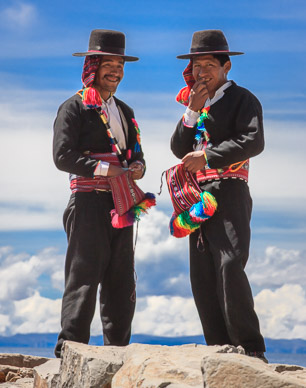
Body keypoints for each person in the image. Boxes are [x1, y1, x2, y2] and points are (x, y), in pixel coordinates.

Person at [171, 30, 267, 362]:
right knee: (202, 272)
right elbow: (178, 148)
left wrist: (208, 157)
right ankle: (219, 348)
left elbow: (253, 141)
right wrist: (192, 112)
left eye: (209, 65)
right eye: (196, 66)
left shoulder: (243, 100)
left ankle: (251, 348)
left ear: (226, 66)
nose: (201, 73)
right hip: (197, 196)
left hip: (229, 190)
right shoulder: (196, 104)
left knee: (229, 263)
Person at [53, 29, 146, 358]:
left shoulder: (126, 112)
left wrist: (137, 168)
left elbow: (136, 154)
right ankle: (69, 351)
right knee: (84, 274)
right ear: (92, 65)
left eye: (120, 64)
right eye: (109, 64)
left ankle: (117, 353)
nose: (115, 71)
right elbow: (62, 156)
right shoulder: (74, 108)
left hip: (122, 203)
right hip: (88, 202)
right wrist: (106, 169)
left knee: (122, 278)